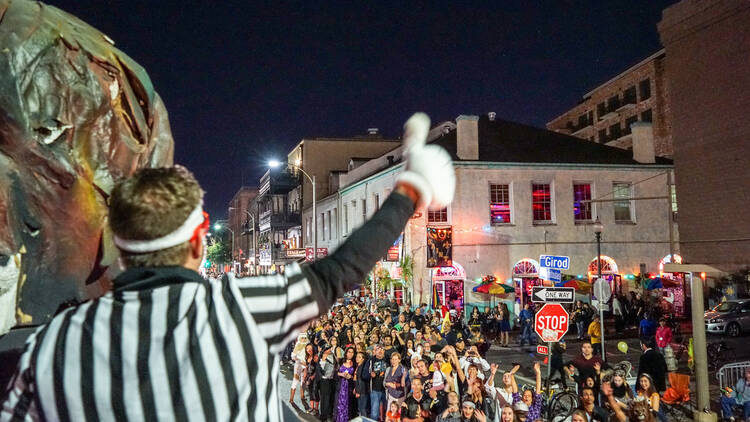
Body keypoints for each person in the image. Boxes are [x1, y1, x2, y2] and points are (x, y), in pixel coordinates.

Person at [0, 112, 453, 421]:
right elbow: (343, 268)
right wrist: (409, 189)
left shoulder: (54, 345)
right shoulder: (246, 305)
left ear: (116, 246)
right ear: (199, 237)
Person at [335, 347, 356, 422]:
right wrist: (341, 374)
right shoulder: (340, 361)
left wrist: (351, 376)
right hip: (340, 387)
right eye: (349, 352)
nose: (350, 354)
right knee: (339, 404)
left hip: (349, 387)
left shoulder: (355, 363)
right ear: (346, 353)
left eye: (352, 352)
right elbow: (335, 373)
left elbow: (356, 376)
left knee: (348, 405)